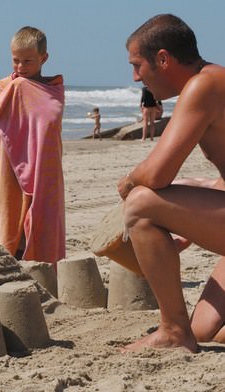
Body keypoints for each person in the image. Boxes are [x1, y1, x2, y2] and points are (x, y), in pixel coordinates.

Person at [117, 14, 225, 352]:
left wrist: (131, 180)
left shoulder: (203, 86)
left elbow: (158, 174)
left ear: (163, 59)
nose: (135, 77)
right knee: (207, 329)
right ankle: (187, 330)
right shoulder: (213, 79)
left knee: (141, 203)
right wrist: (201, 199)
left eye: (138, 65)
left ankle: (173, 331)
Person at [0, 26, 65, 263]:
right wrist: (17, 86)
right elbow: (0, 116)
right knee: (13, 214)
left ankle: (43, 264)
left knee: (43, 215)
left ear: (44, 58)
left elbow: (51, 119)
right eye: (16, 61)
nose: (21, 68)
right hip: (12, 160)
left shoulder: (53, 88)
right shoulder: (7, 85)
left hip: (45, 162)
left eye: (28, 61)